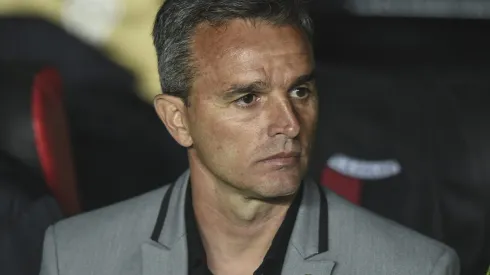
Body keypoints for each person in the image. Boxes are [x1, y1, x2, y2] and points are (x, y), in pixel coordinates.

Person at [39, 0, 460, 274]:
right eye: (248, 98)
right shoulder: (76, 257)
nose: (290, 124)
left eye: (300, 90)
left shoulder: (415, 268)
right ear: (176, 120)